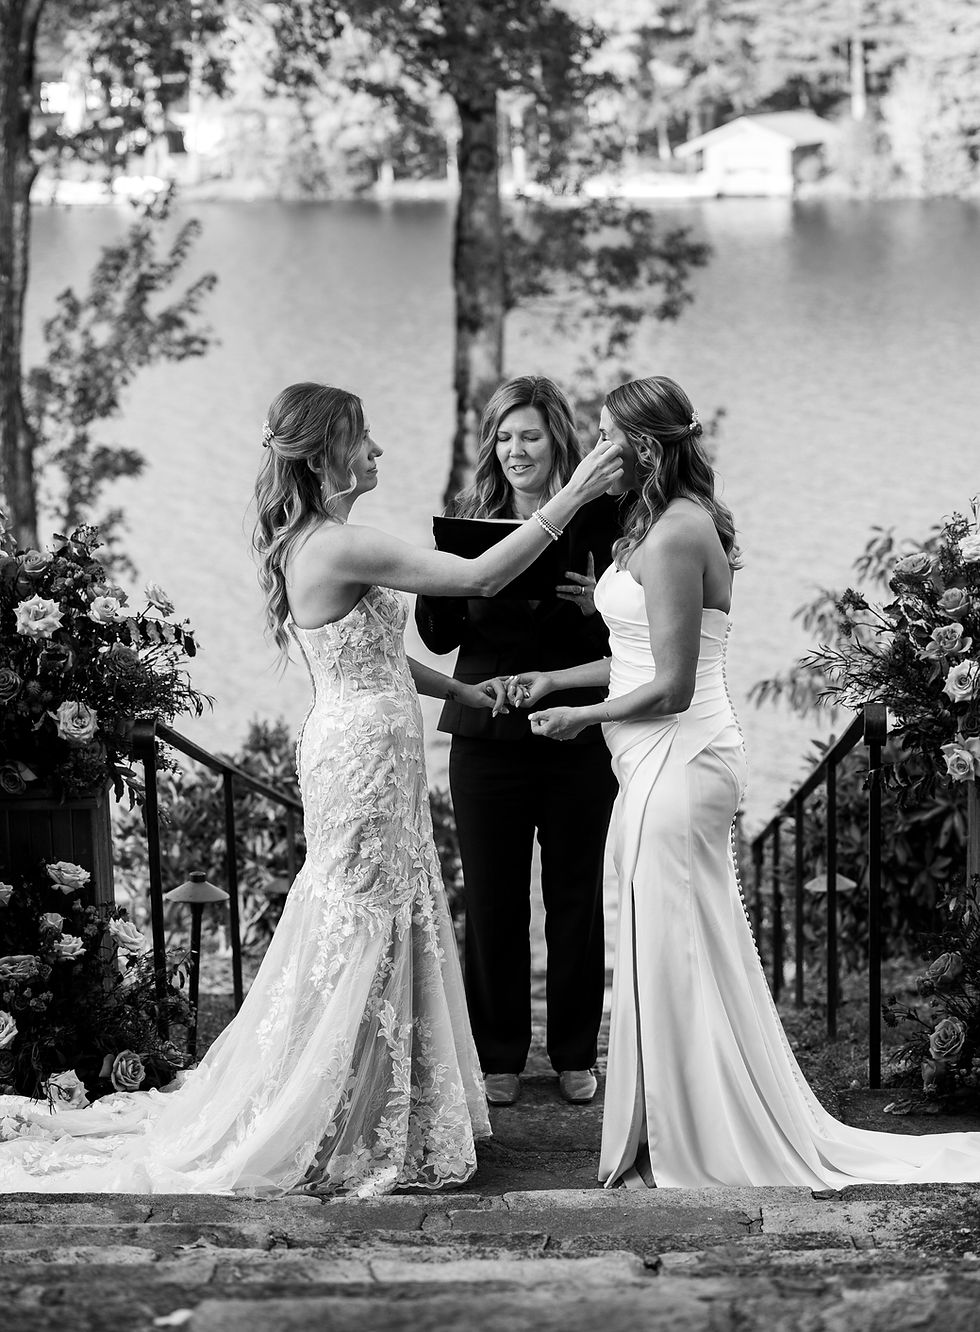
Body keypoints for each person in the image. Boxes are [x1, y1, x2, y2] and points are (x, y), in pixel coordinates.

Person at [0, 381, 623, 1196]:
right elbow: (480, 577)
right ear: (328, 451)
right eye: (364, 437)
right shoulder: (334, 544)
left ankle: (361, 1101)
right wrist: (572, 495)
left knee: (376, 919)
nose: (377, 451)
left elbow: (367, 657)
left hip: (364, 740)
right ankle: (331, 1110)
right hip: (361, 757)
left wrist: (463, 693)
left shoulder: (331, 540)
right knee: (361, 921)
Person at [509, 374, 980, 1189]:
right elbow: (640, 650)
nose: (594, 452)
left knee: (678, 948)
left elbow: (673, 686)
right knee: (665, 943)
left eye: (606, 438)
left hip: (681, 756)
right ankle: (679, 1117)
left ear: (645, 446)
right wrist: (559, 676)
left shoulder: (675, 533)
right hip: (657, 758)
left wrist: (579, 720)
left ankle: (705, 1132)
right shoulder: (653, 524)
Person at [415, 376, 622, 1109]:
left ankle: (573, 1051)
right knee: (493, 901)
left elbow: (634, 638)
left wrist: (594, 604)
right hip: (487, 736)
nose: (515, 450)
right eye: (504, 437)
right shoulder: (470, 523)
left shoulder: (607, 524)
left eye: (529, 435)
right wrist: (458, 582)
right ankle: (497, 1054)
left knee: (575, 899)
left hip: (578, 733)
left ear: (558, 440)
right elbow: (436, 637)